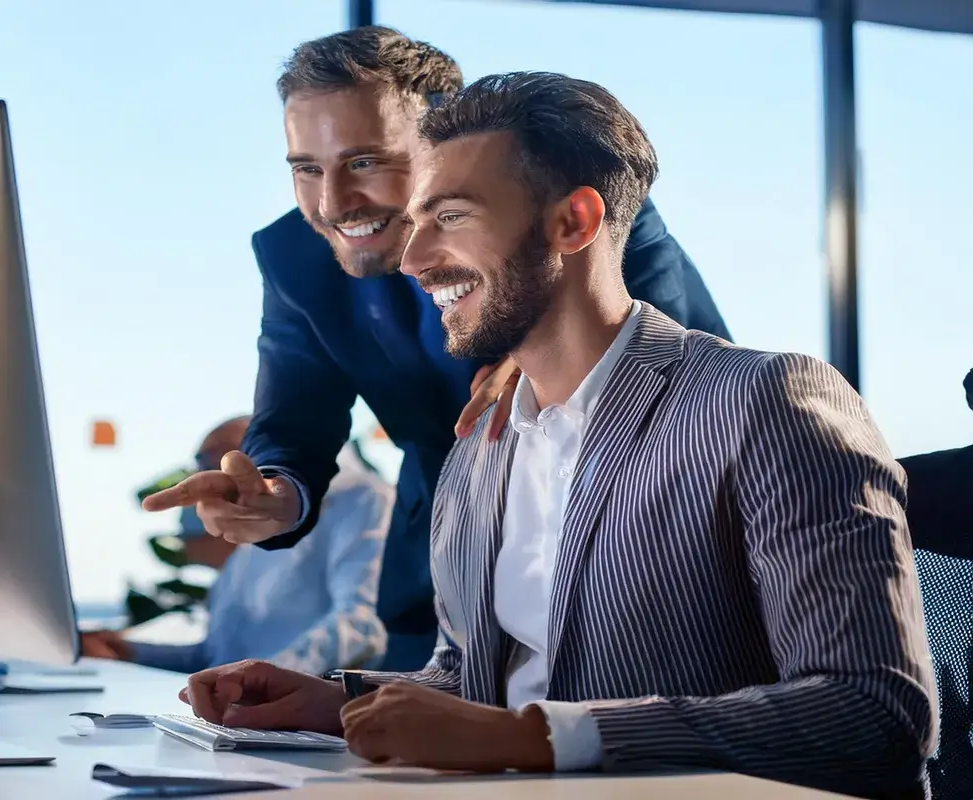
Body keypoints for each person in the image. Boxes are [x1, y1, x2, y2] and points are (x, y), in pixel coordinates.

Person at [176, 73, 938, 799]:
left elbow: (875, 713)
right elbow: (477, 683)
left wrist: (531, 741)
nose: (410, 260)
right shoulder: (478, 451)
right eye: (414, 223)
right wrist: (331, 702)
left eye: (450, 217)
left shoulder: (769, 403)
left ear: (573, 222)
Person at [141, 27, 731, 670]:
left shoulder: (574, 201)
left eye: (366, 161)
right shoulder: (293, 256)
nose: (334, 203)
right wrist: (277, 495)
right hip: (439, 559)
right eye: (307, 169)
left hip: (628, 540)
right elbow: (293, 417)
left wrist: (545, 358)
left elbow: (668, 350)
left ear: (443, 140)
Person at [82, 416, 392, 675]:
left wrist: (259, 679)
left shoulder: (364, 497)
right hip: (234, 719)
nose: (201, 481)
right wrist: (126, 651)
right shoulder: (247, 528)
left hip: (299, 731)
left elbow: (361, 627)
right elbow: (212, 658)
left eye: (206, 464)